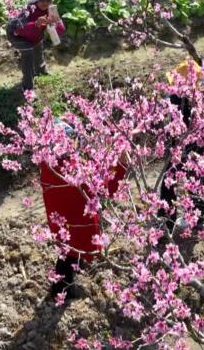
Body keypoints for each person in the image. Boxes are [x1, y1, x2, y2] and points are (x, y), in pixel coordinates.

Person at [40, 120, 126, 300]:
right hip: (77, 225)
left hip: (61, 223)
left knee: (67, 252)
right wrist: (121, 167)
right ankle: (60, 291)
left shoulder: (47, 166)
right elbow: (105, 190)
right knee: (69, 257)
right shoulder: (74, 172)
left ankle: (67, 278)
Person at [159, 61, 204, 236]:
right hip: (179, 150)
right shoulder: (173, 98)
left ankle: (196, 222)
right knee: (168, 183)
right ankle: (166, 222)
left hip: (201, 152)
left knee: (197, 185)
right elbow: (166, 122)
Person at [7, 0, 65, 92]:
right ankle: (28, 87)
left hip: (35, 35)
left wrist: (56, 22)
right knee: (28, 54)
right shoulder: (27, 10)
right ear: (35, 1)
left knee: (38, 47)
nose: (45, 3)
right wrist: (36, 24)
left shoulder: (50, 10)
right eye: (42, 0)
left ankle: (41, 70)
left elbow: (61, 30)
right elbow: (19, 29)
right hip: (17, 36)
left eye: (48, 0)